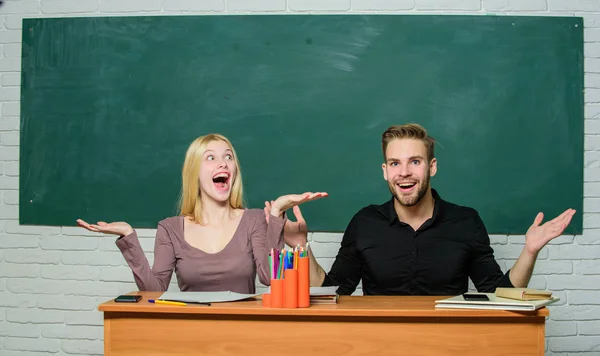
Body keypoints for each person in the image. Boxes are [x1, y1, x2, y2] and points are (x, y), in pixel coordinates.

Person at [276, 124, 575, 295]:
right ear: (385, 171)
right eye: (395, 163)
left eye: (414, 162)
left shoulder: (465, 221)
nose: (404, 172)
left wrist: (530, 251)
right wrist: (303, 248)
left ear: (432, 166)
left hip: (447, 345)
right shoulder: (364, 222)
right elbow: (332, 293)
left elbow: (500, 294)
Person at [77, 133, 327, 294]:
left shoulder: (252, 220)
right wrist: (128, 236)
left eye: (228, 157)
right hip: (189, 337)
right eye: (211, 158)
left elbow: (270, 279)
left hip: (243, 336)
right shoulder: (170, 228)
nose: (223, 163)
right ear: (194, 173)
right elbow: (154, 291)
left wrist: (275, 214)